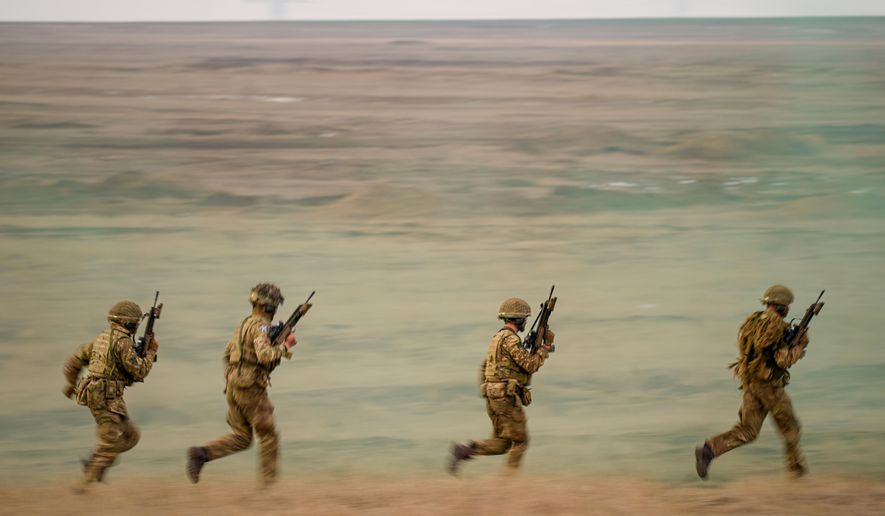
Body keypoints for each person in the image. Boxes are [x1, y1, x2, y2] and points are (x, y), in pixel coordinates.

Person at [696, 284, 810, 479]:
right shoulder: (776, 326)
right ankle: (796, 474)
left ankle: (709, 450)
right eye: (787, 306)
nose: (788, 310)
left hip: (752, 383)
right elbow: (782, 360)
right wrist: (800, 346)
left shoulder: (755, 321)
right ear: (781, 306)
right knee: (791, 428)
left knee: (748, 430)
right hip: (770, 388)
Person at [187, 283, 297, 485]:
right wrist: (285, 346)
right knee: (269, 436)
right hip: (250, 388)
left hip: (233, 386)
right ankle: (269, 489)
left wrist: (234, 379)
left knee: (242, 437)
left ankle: (202, 453)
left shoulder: (243, 324)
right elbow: (264, 356)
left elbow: (227, 356)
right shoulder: (261, 326)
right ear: (268, 307)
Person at [448, 297, 554, 475]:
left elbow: (484, 366)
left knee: (503, 443)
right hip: (504, 397)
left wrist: (489, 390)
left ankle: (466, 449)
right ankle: (507, 486)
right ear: (518, 319)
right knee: (521, 442)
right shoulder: (510, 340)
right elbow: (530, 365)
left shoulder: (496, 339)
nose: (526, 322)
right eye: (525, 319)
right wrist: (544, 349)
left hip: (493, 396)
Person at [62, 300, 159, 491]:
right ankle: (82, 486)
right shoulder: (122, 343)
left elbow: (73, 362)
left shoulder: (102, 338)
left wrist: (71, 383)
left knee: (131, 437)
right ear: (130, 323)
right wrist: (150, 353)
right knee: (109, 444)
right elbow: (139, 371)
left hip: (107, 397)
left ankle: (95, 465)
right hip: (104, 397)